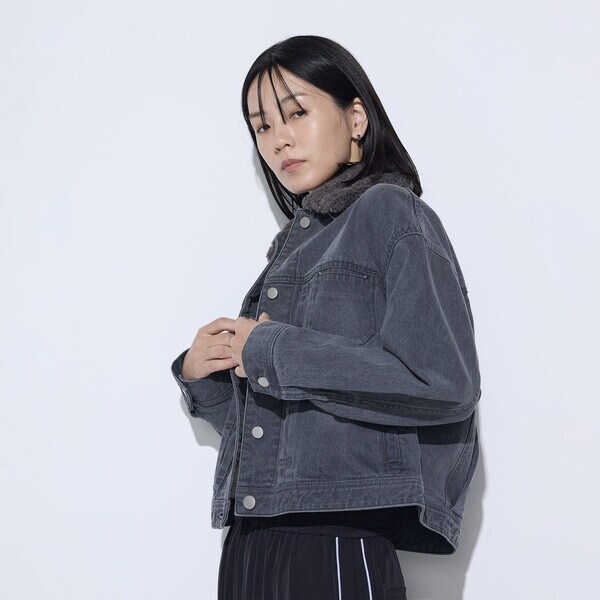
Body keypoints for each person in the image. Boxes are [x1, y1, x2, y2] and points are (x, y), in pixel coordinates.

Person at [171, 34, 481, 600]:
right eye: (262, 126)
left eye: (296, 113)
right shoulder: (288, 252)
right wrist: (204, 376)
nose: (279, 138)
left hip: (335, 541)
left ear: (356, 117)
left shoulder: (393, 214)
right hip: (249, 544)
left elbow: (443, 382)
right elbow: (288, 428)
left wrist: (268, 350)